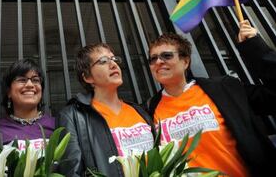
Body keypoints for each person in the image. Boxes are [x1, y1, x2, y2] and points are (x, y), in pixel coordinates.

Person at [147, 20, 276, 176]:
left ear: (185, 61)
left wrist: (256, 48)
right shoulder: (148, 111)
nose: (159, 62)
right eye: (153, 59)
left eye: (166, 55)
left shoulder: (224, 89)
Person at [57, 43, 155, 177]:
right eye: (103, 61)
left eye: (115, 59)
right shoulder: (73, 115)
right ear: (87, 77)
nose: (114, 65)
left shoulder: (139, 111)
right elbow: (72, 171)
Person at [0, 58, 54, 151]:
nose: (30, 84)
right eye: (22, 80)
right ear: (8, 92)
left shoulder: (57, 125)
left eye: (35, 80)